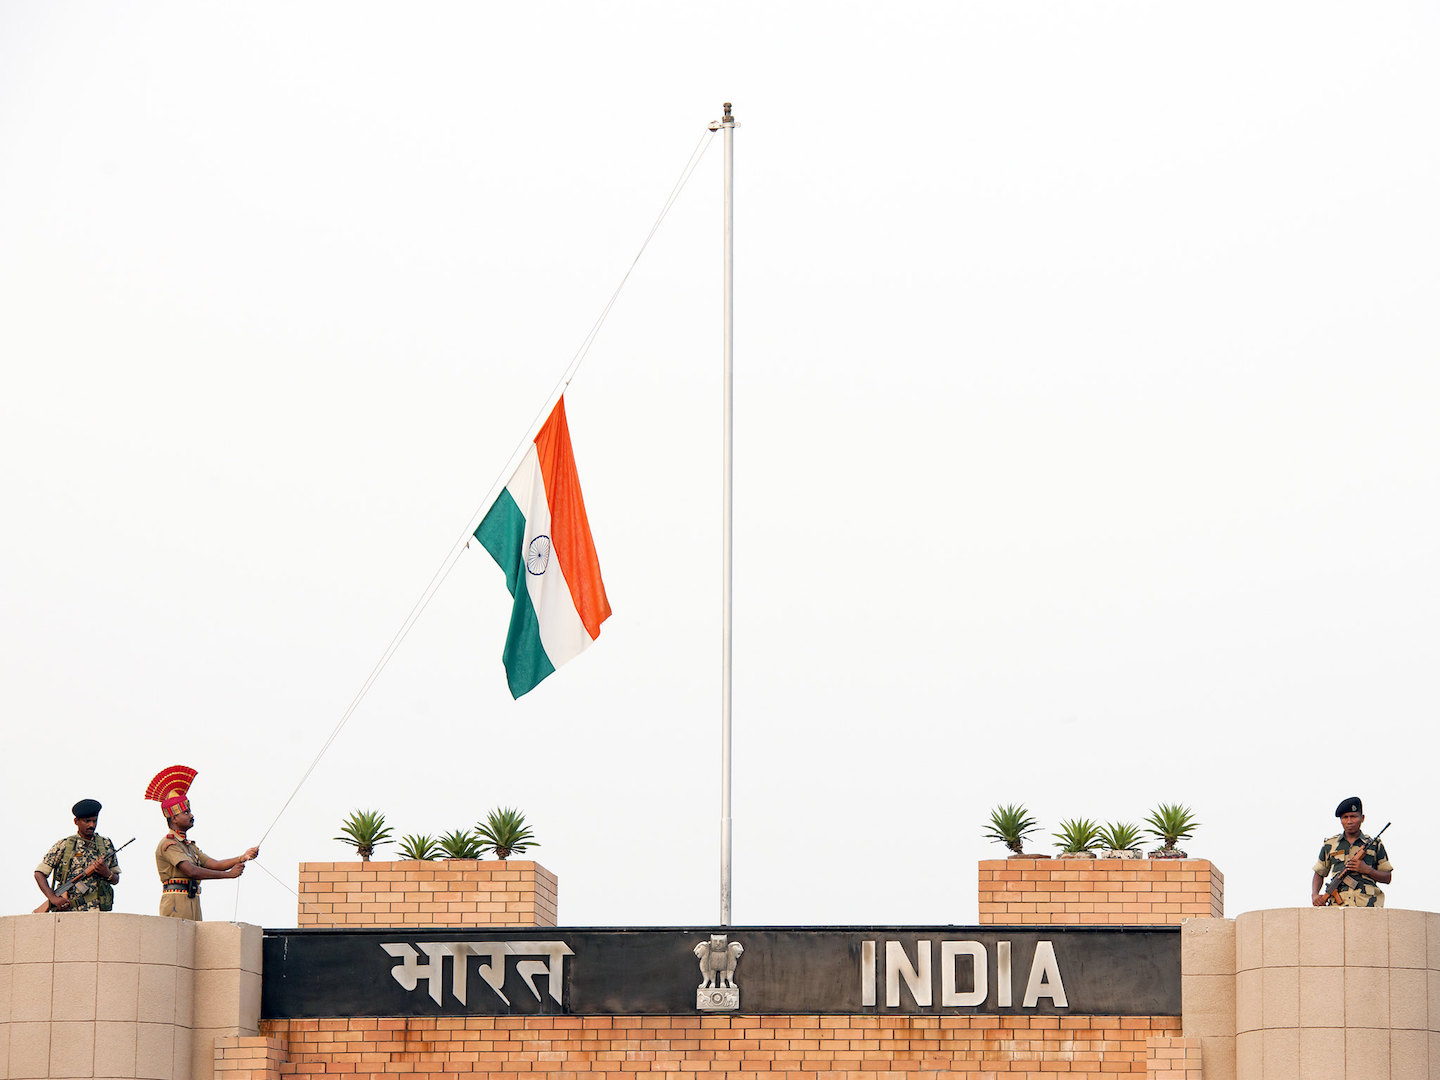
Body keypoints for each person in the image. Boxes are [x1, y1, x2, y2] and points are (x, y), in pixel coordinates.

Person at [144, 764, 259, 921]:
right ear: (174, 818)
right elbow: (191, 871)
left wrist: (242, 857)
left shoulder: (189, 846)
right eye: (186, 812)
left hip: (192, 900)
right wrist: (228, 875)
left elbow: (214, 863)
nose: (191, 816)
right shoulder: (169, 844)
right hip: (175, 903)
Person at [34, 798, 122, 912]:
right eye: (87, 821)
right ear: (76, 821)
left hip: (99, 913)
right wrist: (53, 898)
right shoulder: (65, 845)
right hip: (70, 913)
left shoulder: (106, 844)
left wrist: (107, 873)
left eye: (95, 821)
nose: (92, 825)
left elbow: (115, 879)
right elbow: (39, 873)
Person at [1311, 795, 1392, 907]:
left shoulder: (1374, 844)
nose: (1349, 821)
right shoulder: (1330, 844)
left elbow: (1387, 877)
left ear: (1362, 818)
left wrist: (1367, 870)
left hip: (1367, 905)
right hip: (1338, 906)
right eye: (1345, 817)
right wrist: (1315, 895)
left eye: (1353, 816)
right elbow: (1319, 872)